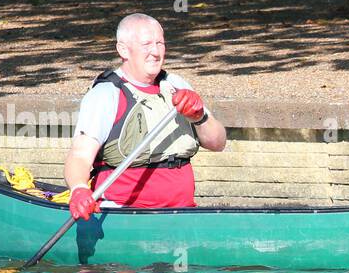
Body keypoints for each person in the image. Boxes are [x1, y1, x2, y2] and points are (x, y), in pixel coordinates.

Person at [63, 13, 227, 220]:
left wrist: (199, 116)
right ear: (123, 49)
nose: (156, 52)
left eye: (160, 43)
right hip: (123, 213)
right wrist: (78, 189)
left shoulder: (177, 85)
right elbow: (79, 155)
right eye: (147, 44)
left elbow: (218, 143)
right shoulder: (106, 94)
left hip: (182, 211)